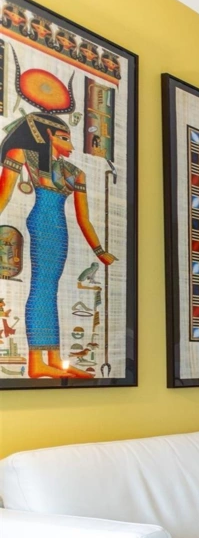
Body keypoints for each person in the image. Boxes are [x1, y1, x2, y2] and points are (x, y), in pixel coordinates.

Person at [0, 112, 115, 379]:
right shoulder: (22, 155)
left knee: (50, 290)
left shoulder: (75, 173)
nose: (70, 145)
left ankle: (53, 358)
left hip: (60, 230)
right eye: (64, 138)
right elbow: (3, 195)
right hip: (41, 223)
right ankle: (36, 362)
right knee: (42, 288)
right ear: (47, 135)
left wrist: (100, 252)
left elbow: (84, 218)